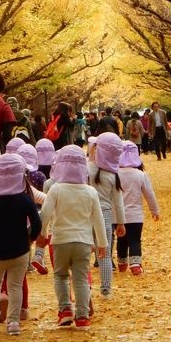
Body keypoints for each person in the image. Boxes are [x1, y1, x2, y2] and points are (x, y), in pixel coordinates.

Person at [38, 145, 108, 329]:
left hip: (60, 240)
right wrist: (102, 244)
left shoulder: (56, 189)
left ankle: (65, 311)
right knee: (81, 278)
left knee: (60, 276)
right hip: (84, 241)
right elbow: (98, 220)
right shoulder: (90, 191)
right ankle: (83, 316)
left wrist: (42, 234)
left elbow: (45, 214)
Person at [0, 154, 41, 336]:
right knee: (15, 286)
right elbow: (36, 222)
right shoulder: (24, 199)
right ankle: (13, 322)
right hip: (20, 250)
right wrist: (31, 238)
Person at [88, 132, 125, 298]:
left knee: (84, 250)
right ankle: (106, 288)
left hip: (85, 214)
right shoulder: (113, 175)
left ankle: (84, 286)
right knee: (105, 252)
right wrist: (121, 223)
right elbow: (118, 202)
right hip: (105, 215)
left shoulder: (87, 169)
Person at [116, 142, 160, 275]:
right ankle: (135, 263)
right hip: (135, 215)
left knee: (121, 238)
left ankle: (122, 262)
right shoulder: (140, 175)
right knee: (135, 239)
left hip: (118, 215)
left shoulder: (115, 175)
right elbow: (149, 194)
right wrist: (154, 210)